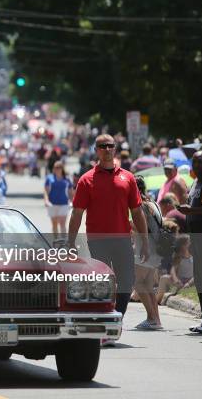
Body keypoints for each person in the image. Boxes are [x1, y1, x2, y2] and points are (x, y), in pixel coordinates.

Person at [68, 134, 148, 345]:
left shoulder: (128, 178)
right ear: (96, 150)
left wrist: (145, 241)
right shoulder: (86, 179)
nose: (106, 149)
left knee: (126, 282)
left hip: (122, 239)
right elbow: (77, 213)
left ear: (115, 149)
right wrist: (70, 243)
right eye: (102, 146)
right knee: (102, 283)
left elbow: (137, 212)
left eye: (110, 146)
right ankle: (103, 327)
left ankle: (116, 322)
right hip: (98, 239)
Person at [178, 150, 202, 334]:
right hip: (196, 238)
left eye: (200, 162)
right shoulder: (196, 182)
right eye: (194, 162)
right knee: (200, 277)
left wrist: (192, 212)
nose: (196, 165)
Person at [132, 175, 163, 330]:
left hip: (145, 248)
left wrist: (127, 224)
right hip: (156, 248)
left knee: (137, 282)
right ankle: (156, 320)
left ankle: (151, 318)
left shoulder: (140, 205)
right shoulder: (153, 202)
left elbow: (140, 228)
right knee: (148, 285)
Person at [156, 234, 193, 304]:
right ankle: (158, 300)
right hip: (180, 281)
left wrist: (188, 283)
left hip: (191, 281)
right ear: (183, 245)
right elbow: (173, 270)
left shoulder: (195, 254)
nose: (191, 243)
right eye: (189, 242)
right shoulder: (178, 256)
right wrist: (176, 281)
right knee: (164, 278)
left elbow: (198, 273)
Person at [44, 161, 74, 238]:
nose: (56, 169)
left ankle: (64, 241)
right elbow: (46, 191)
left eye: (58, 167)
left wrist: (72, 201)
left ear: (62, 168)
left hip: (64, 204)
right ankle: (56, 240)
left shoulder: (66, 179)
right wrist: (46, 201)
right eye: (55, 167)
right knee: (54, 224)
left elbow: (71, 192)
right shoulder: (49, 178)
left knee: (62, 223)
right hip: (52, 204)